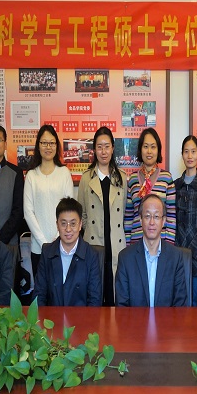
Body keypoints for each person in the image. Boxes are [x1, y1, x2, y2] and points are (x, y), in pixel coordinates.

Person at [78, 126, 128, 306]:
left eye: (107, 146)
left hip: (116, 243)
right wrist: (92, 229)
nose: (103, 151)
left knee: (114, 293)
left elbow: (124, 212)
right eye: (99, 147)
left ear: (113, 148)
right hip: (94, 241)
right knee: (95, 293)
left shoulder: (121, 178)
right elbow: (82, 214)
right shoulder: (86, 178)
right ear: (94, 150)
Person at [115, 194, 187, 307]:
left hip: (167, 319)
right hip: (135, 319)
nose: (152, 222)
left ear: (163, 221)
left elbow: (180, 306)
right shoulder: (125, 258)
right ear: (140, 220)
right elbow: (122, 306)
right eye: (147, 216)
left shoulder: (175, 257)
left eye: (156, 216)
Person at [23, 125, 74, 275]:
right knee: (41, 288)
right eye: (44, 143)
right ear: (38, 145)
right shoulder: (31, 175)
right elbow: (28, 212)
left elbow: (69, 211)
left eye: (52, 143)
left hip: (63, 244)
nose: (48, 147)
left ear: (56, 146)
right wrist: (44, 243)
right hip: (38, 248)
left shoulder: (64, 173)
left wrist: (57, 240)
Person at [34, 197, 102, 306]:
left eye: (73, 224)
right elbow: (39, 295)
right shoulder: (47, 253)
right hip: (52, 316)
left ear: (80, 225)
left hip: (82, 316)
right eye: (63, 223)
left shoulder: (91, 255)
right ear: (57, 225)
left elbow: (95, 300)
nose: (68, 229)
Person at [174, 135, 197, 306]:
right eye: (186, 152)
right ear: (182, 154)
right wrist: (180, 251)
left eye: (193, 151)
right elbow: (173, 221)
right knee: (179, 302)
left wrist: (191, 252)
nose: (190, 156)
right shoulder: (175, 185)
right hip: (178, 252)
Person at [125, 127, 176, 245]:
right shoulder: (132, 179)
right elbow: (128, 216)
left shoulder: (167, 178)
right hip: (136, 243)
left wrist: (169, 244)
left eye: (153, 147)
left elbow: (171, 216)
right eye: (145, 146)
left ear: (158, 150)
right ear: (140, 149)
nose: (149, 151)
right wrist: (128, 244)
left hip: (160, 244)